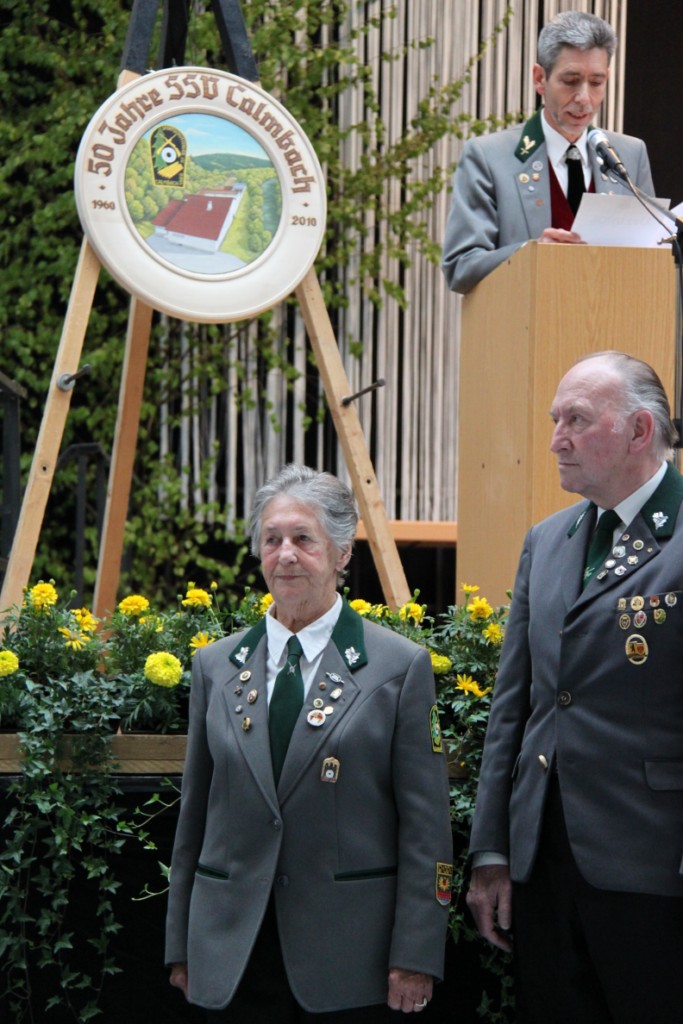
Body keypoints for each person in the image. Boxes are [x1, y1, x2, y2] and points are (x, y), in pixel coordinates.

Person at [165, 464, 453, 1022]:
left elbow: (426, 830)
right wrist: (180, 942)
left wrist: (416, 954)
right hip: (232, 952)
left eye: (303, 539)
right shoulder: (215, 666)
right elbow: (194, 816)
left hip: (348, 957)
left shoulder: (397, 668)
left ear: (342, 553)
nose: (286, 555)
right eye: (272, 539)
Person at [466, 351, 683, 1024]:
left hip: (655, 867)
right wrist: (492, 850)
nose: (556, 439)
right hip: (545, 868)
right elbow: (515, 708)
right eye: (554, 419)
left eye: (577, 420)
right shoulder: (548, 540)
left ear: (639, 431)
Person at [441, 11, 655, 294]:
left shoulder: (629, 154)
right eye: (571, 81)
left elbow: (651, 259)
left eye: (596, 82)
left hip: (611, 319)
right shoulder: (488, 157)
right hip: (525, 320)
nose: (584, 98)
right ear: (540, 78)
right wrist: (531, 254)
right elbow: (461, 267)